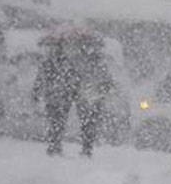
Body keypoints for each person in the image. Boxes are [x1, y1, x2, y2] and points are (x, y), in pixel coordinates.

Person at [32, 28, 115, 157]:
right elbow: (104, 78)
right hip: (85, 94)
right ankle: (84, 148)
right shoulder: (92, 60)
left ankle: (57, 146)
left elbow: (43, 77)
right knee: (86, 121)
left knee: (58, 121)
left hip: (62, 93)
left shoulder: (58, 61)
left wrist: (38, 91)